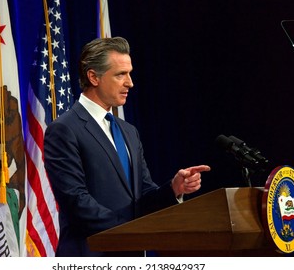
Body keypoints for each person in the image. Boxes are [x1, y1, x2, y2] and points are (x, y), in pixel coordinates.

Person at [44, 36, 211, 257]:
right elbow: (76, 202)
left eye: (129, 73)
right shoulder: (65, 129)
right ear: (93, 77)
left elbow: (144, 193)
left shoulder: (128, 131)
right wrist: (131, 229)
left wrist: (174, 188)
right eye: (121, 74)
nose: (130, 82)